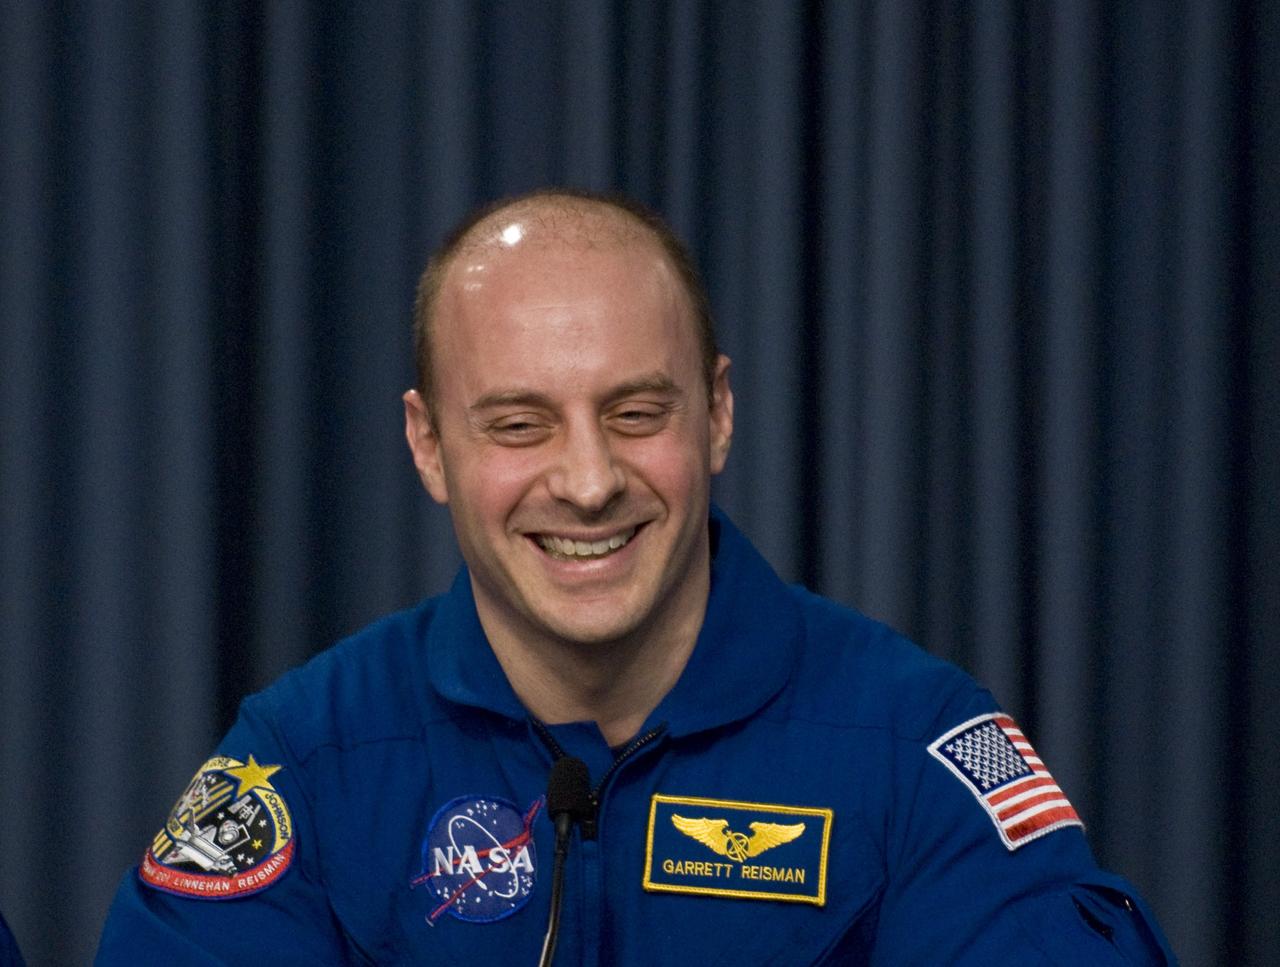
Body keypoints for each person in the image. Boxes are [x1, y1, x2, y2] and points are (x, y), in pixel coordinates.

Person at [96, 189, 1175, 964]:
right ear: (427, 447)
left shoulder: (911, 746)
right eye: (518, 424)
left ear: (717, 413)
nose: (586, 480)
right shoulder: (309, 756)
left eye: (634, 413)